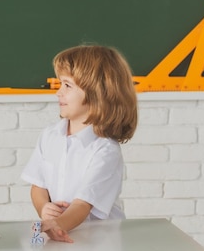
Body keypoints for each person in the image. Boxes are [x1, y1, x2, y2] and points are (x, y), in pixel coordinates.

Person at [21, 45, 138, 243]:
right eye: (60, 84)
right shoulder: (50, 136)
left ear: (96, 92)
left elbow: (83, 204)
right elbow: (38, 186)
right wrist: (44, 208)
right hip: (61, 234)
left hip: (100, 239)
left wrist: (58, 224)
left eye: (67, 86)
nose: (59, 92)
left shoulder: (105, 150)